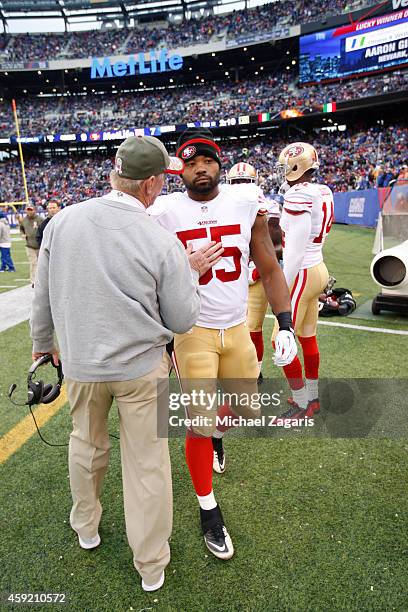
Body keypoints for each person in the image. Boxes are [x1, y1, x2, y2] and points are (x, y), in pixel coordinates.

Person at [30, 135, 209, 593]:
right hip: (140, 368)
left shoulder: (62, 221)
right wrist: (189, 270)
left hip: (82, 364)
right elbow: (183, 318)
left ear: (115, 172)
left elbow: (42, 293)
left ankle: (86, 527)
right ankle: (150, 564)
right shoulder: (159, 238)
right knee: (147, 465)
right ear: (151, 184)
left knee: (85, 445)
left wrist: (41, 344)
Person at [149, 128, 297, 560]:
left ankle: (215, 433)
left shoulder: (245, 201)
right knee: (199, 420)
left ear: (220, 165)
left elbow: (269, 267)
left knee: (249, 408)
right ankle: (208, 510)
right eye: (191, 162)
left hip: (235, 328)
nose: (200, 168)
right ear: (181, 170)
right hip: (192, 330)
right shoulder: (163, 211)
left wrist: (285, 323)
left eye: (208, 161)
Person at [273, 141, 334, 419]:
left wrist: (282, 289)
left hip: (302, 272)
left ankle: (301, 402)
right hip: (318, 266)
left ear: (296, 167)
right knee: (308, 336)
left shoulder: (299, 196)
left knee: (280, 340)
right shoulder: (322, 190)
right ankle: (313, 397)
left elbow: (294, 252)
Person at [225, 163, 283, 382]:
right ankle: (256, 372)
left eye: (242, 182)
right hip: (266, 272)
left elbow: (275, 247)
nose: (240, 187)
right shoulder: (270, 205)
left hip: (256, 274)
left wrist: (253, 269)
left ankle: (255, 372)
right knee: (255, 329)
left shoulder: (229, 205)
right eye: (238, 182)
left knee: (253, 328)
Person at [19, 204, 41, 286]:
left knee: (41, 263)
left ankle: (41, 279)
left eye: (31, 209)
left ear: (34, 210)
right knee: (33, 263)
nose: (29, 211)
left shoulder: (40, 219)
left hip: (39, 245)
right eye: (28, 210)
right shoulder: (24, 220)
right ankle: (33, 281)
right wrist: (22, 234)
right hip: (29, 245)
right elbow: (21, 228)